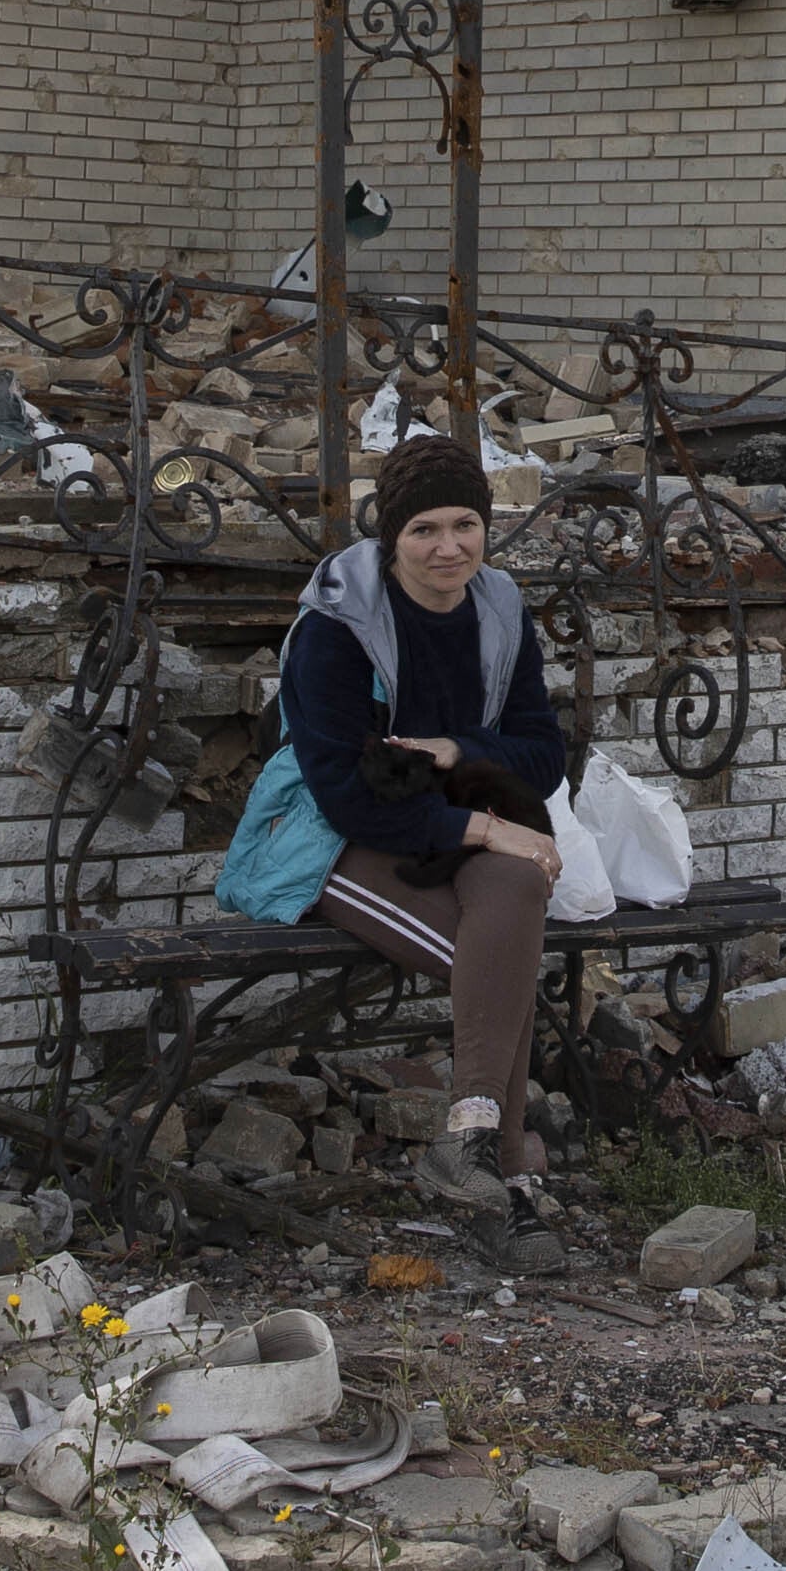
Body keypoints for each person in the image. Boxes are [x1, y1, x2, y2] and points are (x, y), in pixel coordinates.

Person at [279, 433, 566, 1215]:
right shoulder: (335, 630)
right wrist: (495, 829)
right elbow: (347, 796)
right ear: (392, 537)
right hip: (335, 838)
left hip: (451, 817)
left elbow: (543, 756)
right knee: (499, 959)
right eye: (424, 530)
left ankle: (467, 1148)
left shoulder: (501, 612)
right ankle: (502, 1170)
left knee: (512, 896)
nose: (449, 548)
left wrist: (457, 750)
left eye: (465, 524)